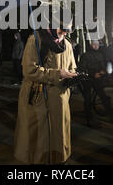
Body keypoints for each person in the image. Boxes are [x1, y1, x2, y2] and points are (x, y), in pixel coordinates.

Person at [13, 27, 77, 164]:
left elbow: (72, 67)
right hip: (37, 100)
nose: (64, 33)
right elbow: (29, 71)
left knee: (58, 140)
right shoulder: (35, 40)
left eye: (68, 30)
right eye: (62, 29)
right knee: (38, 143)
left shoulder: (68, 45)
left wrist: (73, 76)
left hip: (59, 102)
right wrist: (57, 74)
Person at [79, 40, 113, 126]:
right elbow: (82, 68)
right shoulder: (85, 55)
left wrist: (103, 72)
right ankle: (90, 120)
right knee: (88, 100)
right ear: (91, 45)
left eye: (97, 44)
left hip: (97, 79)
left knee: (103, 97)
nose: (96, 46)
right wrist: (93, 74)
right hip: (87, 80)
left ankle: (112, 115)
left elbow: (103, 65)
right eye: (94, 44)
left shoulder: (100, 55)